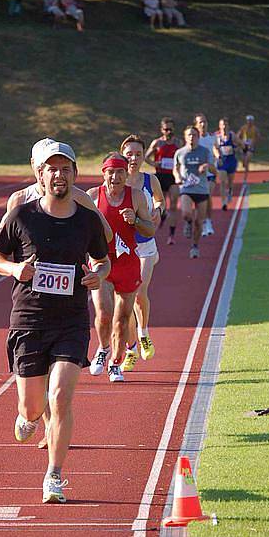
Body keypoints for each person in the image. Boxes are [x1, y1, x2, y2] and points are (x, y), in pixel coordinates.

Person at [0, 141, 110, 504]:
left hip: (71, 320)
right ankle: (27, 415)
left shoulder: (86, 218)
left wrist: (99, 274)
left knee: (61, 397)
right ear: (39, 174)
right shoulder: (21, 215)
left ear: (74, 174)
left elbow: (103, 260)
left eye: (65, 168)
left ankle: (54, 475)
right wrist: (14, 268)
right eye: (51, 168)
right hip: (29, 320)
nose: (59, 174)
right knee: (33, 408)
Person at [87, 153, 155, 383]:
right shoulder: (93, 196)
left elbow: (150, 230)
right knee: (104, 314)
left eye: (120, 172)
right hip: (101, 261)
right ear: (103, 173)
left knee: (122, 318)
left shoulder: (135, 197)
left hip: (128, 263)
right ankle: (103, 348)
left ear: (126, 174)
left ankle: (116, 363)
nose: (115, 177)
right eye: (111, 172)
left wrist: (135, 221)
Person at [120, 134, 165, 372]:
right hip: (123, 247)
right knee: (124, 301)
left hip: (146, 244)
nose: (134, 158)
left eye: (138, 154)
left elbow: (160, 200)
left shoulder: (150, 180)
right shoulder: (117, 182)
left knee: (138, 292)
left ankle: (143, 332)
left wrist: (158, 210)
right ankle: (131, 348)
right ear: (122, 155)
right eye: (129, 154)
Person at [173, 126, 216, 259]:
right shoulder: (180, 153)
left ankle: (195, 246)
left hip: (202, 189)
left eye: (194, 135)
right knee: (186, 213)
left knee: (199, 222)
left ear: (198, 137)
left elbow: (215, 171)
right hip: (186, 188)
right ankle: (188, 222)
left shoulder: (205, 152)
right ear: (185, 137)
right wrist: (177, 177)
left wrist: (208, 166)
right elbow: (175, 168)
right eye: (189, 135)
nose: (192, 137)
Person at [145, 117, 181, 244]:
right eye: (166, 129)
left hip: (173, 177)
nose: (169, 131)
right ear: (162, 130)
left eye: (170, 129)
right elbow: (145, 157)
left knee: (173, 205)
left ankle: (171, 235)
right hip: (160, 176)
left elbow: (183, 158)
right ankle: (163, 215)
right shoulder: (157, 143)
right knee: (160, 205)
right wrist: (155, 163)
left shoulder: (178, 143)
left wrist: (179, 167)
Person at [194, 113, 217, 236]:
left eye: (205, 121)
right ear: (196, 125)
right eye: (200, 122)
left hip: (210, 172)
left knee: (207, 195)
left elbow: (216, 148)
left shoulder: (212, 137)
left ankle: (208, 222)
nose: (203, 124)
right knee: (200, 200)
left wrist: (218, 155)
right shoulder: (194, 140)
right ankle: (201, 223)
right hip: (197, 174)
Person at [214, 117, 240, 210]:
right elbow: (215, 148)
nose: (224, 126)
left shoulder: (232, 135)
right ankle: (223, 202)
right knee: (222, 182)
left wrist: (234, 148)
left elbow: (238, 145)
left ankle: (230, 191)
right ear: (219, 126)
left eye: (225, 124)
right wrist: (218, 156)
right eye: (222, 125)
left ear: (228, 126)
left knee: (230, 182)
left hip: (231, 161)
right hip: (222, 161)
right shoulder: (216, 136)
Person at [237, 114, 261, 183]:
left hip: (251, 147)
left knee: (247, 160)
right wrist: (240, 142)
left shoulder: (255, 129)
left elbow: (258, 137)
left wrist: (254, 142)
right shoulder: (243, 128)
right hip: (244, 146)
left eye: (251, 121)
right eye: (248, 121)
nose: (249, 122)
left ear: (253, 121)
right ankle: (244, 163)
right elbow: (238, 135)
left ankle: (245, 177)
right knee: (244, 160)